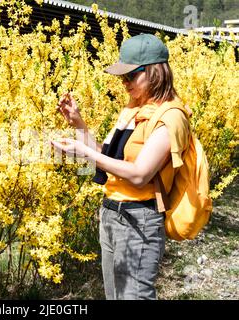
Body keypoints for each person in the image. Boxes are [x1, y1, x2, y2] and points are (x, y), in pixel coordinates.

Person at [51, 34, 190, 300]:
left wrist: (83, 152)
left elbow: (139, 174)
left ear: (155, 72)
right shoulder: (132, 110)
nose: (124, 84)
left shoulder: (171, 117)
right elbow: (107, 157)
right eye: (121, 78)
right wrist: (78, 123)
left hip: (139, 219)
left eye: (131, 76)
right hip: (111, 214)